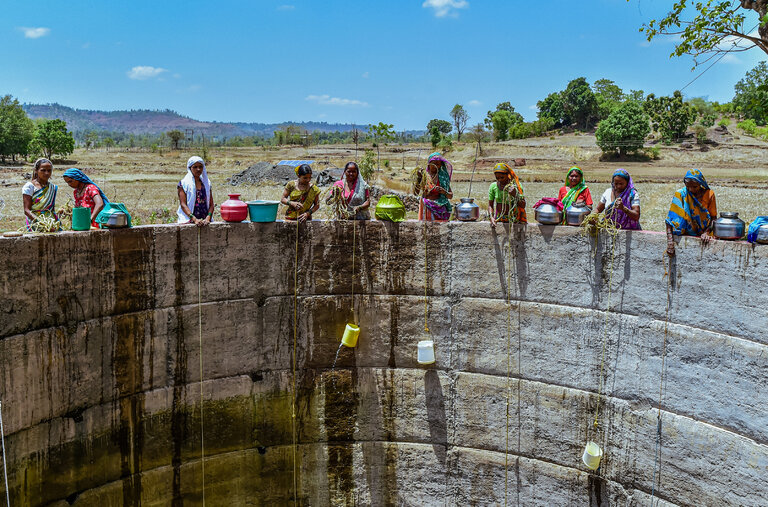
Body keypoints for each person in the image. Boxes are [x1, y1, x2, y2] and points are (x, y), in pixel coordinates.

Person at [665, 169, 717, 256]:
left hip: (704, 235)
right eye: (688, 186)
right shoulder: (681, 194)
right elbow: (670, 220)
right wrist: (670, 242)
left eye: (694, 187)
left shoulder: (709, 195)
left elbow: (714, 218)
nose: (691, 189)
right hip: (685, 233)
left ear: (700, 184)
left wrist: (707, 232)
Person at [413, 152, 453, 221]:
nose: (436, 166)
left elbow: (450, 196)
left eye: (438, 164)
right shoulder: (424, 176)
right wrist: (419, 179)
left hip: (440, 207)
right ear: (429, 164)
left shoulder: (443, 178)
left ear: (441, 165)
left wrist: (444, 192)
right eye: (433, 163)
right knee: (426, 228)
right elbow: (415, 193)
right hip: (426, 207)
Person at [22, 158, 59, 230]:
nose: (46, 173)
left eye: (49, 170)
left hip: (51, 223)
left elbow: (51, 209)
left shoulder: (53, 187)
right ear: (36, 170)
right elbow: (26, 210)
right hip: (35, 223)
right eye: (43, 170)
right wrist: (42, 223)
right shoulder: (29, 187)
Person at [177, 156, 214, 226]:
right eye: (195, 167)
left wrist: (208, 217)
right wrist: (194, 219)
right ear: (190, 168)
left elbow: (211, 204)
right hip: (189, 221)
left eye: (200, 167)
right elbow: (183, 204)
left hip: (205, 222)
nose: (198, 169)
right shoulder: (183, 184)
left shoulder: (207, 183)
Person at [488, 163, 526, 227]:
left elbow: (523, 205)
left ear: (508, 174)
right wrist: (491, 217)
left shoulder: (516, 186)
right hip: (500, 218)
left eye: (502, 177)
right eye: (497, 178)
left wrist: (515, 195)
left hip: (514, 219)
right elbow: (490, 205)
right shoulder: (493, 186)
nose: (500, 180)